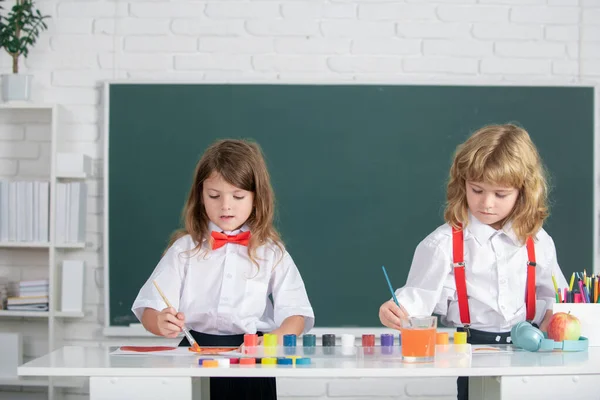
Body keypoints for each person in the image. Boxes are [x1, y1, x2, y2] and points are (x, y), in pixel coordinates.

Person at [378, 124, 568, 400]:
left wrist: (551, 323)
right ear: (462, 183)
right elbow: (417, 298)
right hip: (470, 354)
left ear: (523, 192)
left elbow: (555, 298)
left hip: (531, 352)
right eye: (476, 189)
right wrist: (395, 310)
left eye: (500, 194)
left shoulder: (538, 241)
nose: (486, 203)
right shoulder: (442, 244)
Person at [132, 139, 314, 399]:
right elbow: (149, 309)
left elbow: (296, 314)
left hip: (252, 354)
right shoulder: (184, 249)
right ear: (201, 196)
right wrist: (160, 322)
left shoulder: (271, 251)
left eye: (238, 196)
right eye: (214, 196)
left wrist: (273, 340)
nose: (225, 206)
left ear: (256, 198)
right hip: (194, 354)